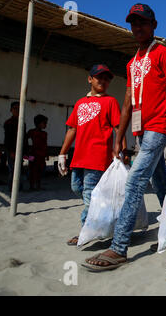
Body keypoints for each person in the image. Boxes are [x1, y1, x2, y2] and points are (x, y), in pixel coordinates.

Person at [82, 3, 166, 271]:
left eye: (143, 22)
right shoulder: (132, 63)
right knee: (161, 182)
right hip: (140, 131)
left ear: (154, 25)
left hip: (159, 127)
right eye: (133, 23)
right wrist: (119, 136)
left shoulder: (163, 54)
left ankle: (119, 248)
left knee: (134, 184)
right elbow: (128, 100)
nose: (138, 27)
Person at [58, 64, 125, 245]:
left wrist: (122, 150)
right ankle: (100, 214)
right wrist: (62, 153)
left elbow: (118, 127)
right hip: (79, 156)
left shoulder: (110, 102)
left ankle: (85, 231)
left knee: (89, 193)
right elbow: (72, 128)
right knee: (76, 188)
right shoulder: (80, 103)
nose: (103, 81)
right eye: (99, 77)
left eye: (106, 78)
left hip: (98, 156)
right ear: (90, 79)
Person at [3, 101, 28, 191]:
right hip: (12, 150)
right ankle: (12, 188)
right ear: (11, 110)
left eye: (19, 109)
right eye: (15, 108)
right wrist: (10, 151)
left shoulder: (22, 123)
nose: (17, 110)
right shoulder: (8, 123)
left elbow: (24, 138)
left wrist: (25, 151)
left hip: (20, 150)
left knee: (19, 169)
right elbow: (8, 140)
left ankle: (18, 187)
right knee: (12, 170)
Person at [27, 114, 48, 191]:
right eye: (44, 123)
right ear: (39, 123)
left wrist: (46, 154)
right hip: (34, 154)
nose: (46, 125)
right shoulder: (32, 132)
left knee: (39, 170)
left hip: (39, 155)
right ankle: (32, 186)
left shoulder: (43, 133)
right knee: (32, 170)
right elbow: (25, 141)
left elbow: (45, 144)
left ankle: (37, 185)